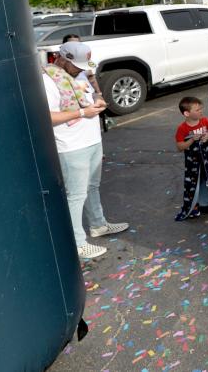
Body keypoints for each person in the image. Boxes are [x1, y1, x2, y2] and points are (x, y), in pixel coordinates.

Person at [42, 41, 128, 260]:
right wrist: (82, 113)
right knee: (76, 195)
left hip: (90, 141)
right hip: (71, 146)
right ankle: (78, 244)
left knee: (92, 186)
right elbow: (48, 116)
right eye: (76, 64)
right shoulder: (49, 79)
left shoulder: (79, 74)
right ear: (62, 59)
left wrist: (98, 102)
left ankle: (98, 225)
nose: (81, 68)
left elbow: (89, 99)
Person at [174, 96, 208, 221]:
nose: (201, 112)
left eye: (201, 109)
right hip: (193, 161)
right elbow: (180, 146)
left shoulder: (204, 121)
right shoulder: (182, 128)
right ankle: (193, 206)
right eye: (197, 110)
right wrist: (191, 140)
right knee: (193, 182)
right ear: (187, 113)